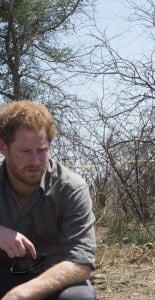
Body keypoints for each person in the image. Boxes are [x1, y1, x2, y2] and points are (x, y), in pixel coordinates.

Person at [0, 100, 97, 299]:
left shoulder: (71, 188)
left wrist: (21, 294)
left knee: (79, 297)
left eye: (42, 150)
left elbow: (81, 262)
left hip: (51, 278)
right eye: (25, 151)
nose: (35, 161)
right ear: (4, 147)